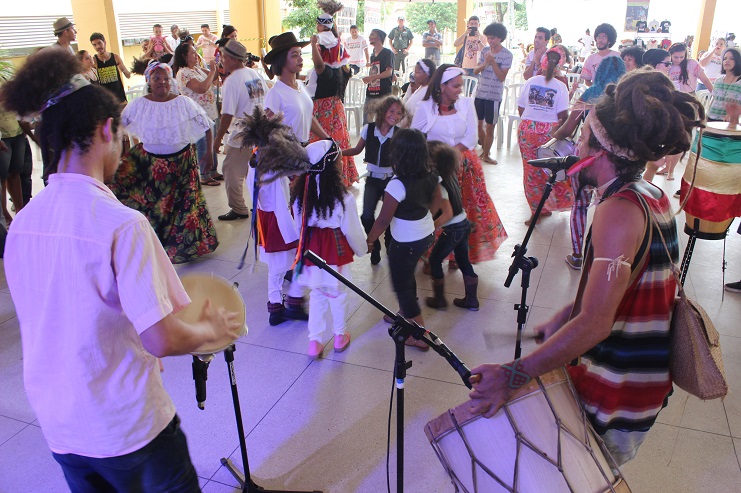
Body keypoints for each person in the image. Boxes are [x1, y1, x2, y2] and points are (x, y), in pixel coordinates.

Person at [0, 47, 242, 492]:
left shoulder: (24, 222)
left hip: (60, 423)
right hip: (129, 426)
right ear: (108, 129)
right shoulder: (122, 224)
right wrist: (212, 330)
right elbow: (163, 336)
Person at [468, 69, 705, 467]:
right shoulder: (650, 195)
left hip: (620, 389)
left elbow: (597, 325)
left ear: (602, 150)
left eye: (581, 137)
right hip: (642, 380)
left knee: (584, 473)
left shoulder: (617, 212)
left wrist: (514, 374)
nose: (575, 145)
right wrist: (569, 314)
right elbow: (632, 287)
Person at [110, 59, 218, 264]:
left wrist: (209, 153)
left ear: (171, 81)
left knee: (184, 208)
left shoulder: (183, 102)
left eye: (165, 78)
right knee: (156, 206)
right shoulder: (139, 104)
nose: (162, 82)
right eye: (156, 78)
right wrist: (115, 152)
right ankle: (155, 244)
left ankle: (188, 247)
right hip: (152, 165)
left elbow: (206, 125)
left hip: (183, 164)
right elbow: (117, 127)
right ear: (149, 81)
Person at [261, 32, 331, 324]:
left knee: (302, 230)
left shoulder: (301, 87)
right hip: (284, 168)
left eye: (300, 53)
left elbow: (310, 116)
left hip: (302, 163)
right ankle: (276, 304)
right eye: (294, 54)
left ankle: (290, 296)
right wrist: (287, 166)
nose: (300, 58)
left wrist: (328, 139)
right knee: (282, 237)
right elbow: (267, 134)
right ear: (281, 61)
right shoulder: (274, 93)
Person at [412, 64, 507, 264]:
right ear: (442, 86)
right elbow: (416, 138)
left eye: (460, 85)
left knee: (465, 209)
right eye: (455, 86)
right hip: (435, 167)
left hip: (465, 164)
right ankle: (433, 255)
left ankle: (458, 255)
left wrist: (450, 156)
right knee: (438, 210)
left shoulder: (465, 104)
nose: (460, 89)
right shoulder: (425, 107)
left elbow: (472, 136)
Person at [366, 128, 442, 350]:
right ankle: (403, 312)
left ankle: (419, 335)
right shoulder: (432, 175)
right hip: (426, 234)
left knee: (402, 285)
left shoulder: (396, 185)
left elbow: (382, 220)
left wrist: (371, 240)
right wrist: (422, 215)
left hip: (406, 242)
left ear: (398, 155)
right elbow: (437, 203)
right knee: (407, 274)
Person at [291, 140, 366, 358]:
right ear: (331, 167)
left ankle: (314, 341)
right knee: (337, 293)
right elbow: (352, 229)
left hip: (312, 250)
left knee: (317, 293)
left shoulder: (301, 197)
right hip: (335, 250)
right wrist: (361, 249)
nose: (343, 163)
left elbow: (299, 227)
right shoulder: (343, 198)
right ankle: (339, 336)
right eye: (339, 159)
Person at [553, 56, 626, 269]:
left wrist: (554, 133)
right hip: (615, 161)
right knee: (611, 206)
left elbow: (567, 129)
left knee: (580, 204)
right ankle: (608, 254)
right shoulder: (623, 99)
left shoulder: (590, 95)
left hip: (585, 158)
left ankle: (577, 255)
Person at [343, 96, 405, 265]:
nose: (395, 115)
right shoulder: (369, 129)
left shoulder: (399, 134)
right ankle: (375, 244)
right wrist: (338, 152)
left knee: (391, 217)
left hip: (391, 181)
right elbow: (357, 149)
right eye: (391, 111)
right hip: (372, 179)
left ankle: (389, 243)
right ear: (382, 111)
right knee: (367, 215)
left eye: (399, 113)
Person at [212, 39, 268, 220]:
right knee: (253, 170)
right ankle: (261, 205)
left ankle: (238, 208)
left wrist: (218, 137)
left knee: (230, 169)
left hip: (243, 132)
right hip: (260, 128)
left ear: (232, 59)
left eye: (223, 57)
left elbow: (227, 114)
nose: (221, 60)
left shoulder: (232, 81)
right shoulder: (253, 73)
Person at [517, 48, 573, 225]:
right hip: (549, 132)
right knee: (552, 170)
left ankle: (537, 211)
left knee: (531, 172)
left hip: (527, 129)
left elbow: (521, 108)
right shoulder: (561, 86)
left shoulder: (531, 81)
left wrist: (533, 120)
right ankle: (556, 203)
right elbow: (563, 116)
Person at [425, 141, 479, 311]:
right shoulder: (450, 173)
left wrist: (429, 227)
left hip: (454, 227)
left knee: (434, 260)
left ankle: (439, 299)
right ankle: (472, 301)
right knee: (464, 261)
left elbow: (447, 213)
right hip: (463, 224)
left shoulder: (438, 182)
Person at [310, 13, 357, 187]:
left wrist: (314, 45)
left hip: (324, 110)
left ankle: (329, 178)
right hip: (336, 107)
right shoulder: (341, 67)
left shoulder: (326, 69)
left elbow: (318, 65)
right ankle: (342, 176)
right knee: (339, 140)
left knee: (324, 142)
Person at [664, 42, 714, 181]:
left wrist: (715, 95)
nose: (678, 60)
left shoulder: (692, 64)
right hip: (672, 102)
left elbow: (705, 79)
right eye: (675, 57)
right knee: (669, 135)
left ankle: (671, 171)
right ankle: (667, 167)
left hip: (689, 102)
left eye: (681, 57)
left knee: (683, 136)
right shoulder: (667, 64)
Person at [173, 43, 220, 185]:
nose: (196, 55)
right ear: (184, 56)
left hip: (210, 112)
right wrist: (211, 72)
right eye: (193, 53)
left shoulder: (196, 69)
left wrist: (214, 67)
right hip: (197, 114)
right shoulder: (184, 73)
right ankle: (204, 174)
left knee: (212, 141)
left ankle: (213, 170)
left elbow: (215, 76)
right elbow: (201, 88)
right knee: (204, 143)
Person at [474, 22, 512, 164]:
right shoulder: (484, 51)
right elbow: (476, 71)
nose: (490, 41)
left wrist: (493, 63)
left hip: (494, 96)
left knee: (490, 126)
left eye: (493, 38)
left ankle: (486, 154)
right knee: (479, 124)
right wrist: (485, 63)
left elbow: (502, 77)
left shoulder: (507, 55)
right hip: (480, 93)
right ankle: (485, 150)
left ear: (500, 38)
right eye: (488, 38)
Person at [573, 23, 620, 98]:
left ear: (609, 41)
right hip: (595, 98)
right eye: (598, 37)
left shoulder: (618, 57)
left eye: (604, 37)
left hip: (614, 97)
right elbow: (587, 81)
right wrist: (598, 89)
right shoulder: (590, 59)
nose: (600, 40)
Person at [0, 91, 25, 225]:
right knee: (2, 177)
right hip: (2, 136)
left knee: (15, 173)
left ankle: (20, 212)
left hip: (17, 131)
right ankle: (5, 215)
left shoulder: (6, 73)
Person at [362, 29, 394, 125]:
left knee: (383, 122)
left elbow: (389, 72)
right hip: (371, 92)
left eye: (372, 34)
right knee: (367, 123)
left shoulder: (387, 53)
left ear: (379, 37)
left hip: (383, 93)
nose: (370, 36)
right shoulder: (372, 56)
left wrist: (372, 78)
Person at [90, 32, 131, 103]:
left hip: (119, 97)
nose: (97, 47)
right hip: (105, 99)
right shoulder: (94, 60)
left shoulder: (115, 57)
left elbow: (128, 75)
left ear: (104, 43)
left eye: (99, 43)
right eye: (94, 45)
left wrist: (125, 70)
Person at [707, 47, 741, 122]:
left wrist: (734, 115)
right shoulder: (718, 80)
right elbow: (713, 100)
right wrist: (706, 116)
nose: (727, 61)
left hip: (729, 123)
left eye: (732, 58)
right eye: (725, 58)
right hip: (711, 120)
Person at [401, 59, 436, 125]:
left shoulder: (428, 92)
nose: (414, 75)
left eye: (417, 72)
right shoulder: (421, 87)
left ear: (426, 74)